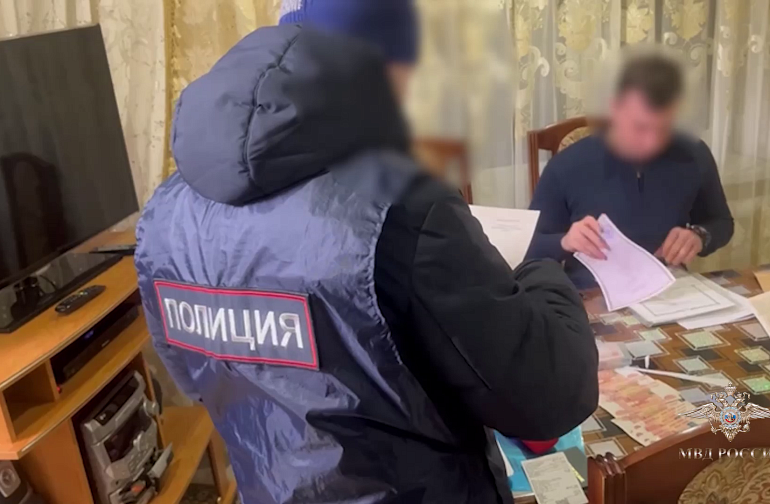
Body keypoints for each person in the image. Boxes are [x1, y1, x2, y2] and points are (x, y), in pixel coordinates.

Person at [135, 1, 598, 502]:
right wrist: (542, 274)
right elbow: (547, 397)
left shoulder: (165, 213)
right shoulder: (399, 204)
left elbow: (197, 379)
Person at [527, 52, 734, 289]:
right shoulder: (566, 166)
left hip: (669, 290)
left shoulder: (694, 153)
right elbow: (529, 247)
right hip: (592, 294)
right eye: (640, 127)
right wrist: (565, 241)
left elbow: (721, 222)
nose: (652, 142)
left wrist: (699, 235)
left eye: (664, 128)